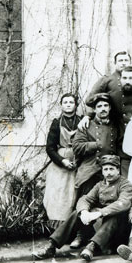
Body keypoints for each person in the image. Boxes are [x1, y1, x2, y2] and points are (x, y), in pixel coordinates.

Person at [33, 155, 132, 262]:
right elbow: (85, 199)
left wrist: (99, 213)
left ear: (118, 170)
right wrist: (84, 211)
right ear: (102, 172)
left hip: (118, 232)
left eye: (112, 169)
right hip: (102, 229)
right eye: (106, 169)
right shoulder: (99, 185)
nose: (108, 173)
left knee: (114, 215)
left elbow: (123, 203)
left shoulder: (125, 184)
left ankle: (91, 247)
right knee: (77, 213)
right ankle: (51, 246)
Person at [79, 66, 132, 176]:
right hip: (121, 145)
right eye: (125, 78)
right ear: (120, 79)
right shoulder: (113, 96)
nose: (127, 81)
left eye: (130, 78)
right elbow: (93, 103)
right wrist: (88, 116)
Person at [44, 93, 81, 228]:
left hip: (78, 161)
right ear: (61, 105)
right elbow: (50, 148)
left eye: (71, 102)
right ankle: (58, 229)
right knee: (59, 194)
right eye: (65, 102)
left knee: (74, 195)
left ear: (76, 105)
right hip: (60, 164)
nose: (68, 105)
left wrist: (79, 159)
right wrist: (63, 161)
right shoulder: (56, 123)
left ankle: (75, 230)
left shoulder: (81, 121)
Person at [73, 93, 119, 199]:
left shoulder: (115, 126)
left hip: (109, 172)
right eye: (99, 106)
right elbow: (76, 147)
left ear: (110, 108)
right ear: (94, 109)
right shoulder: (86, 125)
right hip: (90, 172)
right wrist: (96, 145)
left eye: (105, 105)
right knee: (86, 201)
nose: (103, 109)